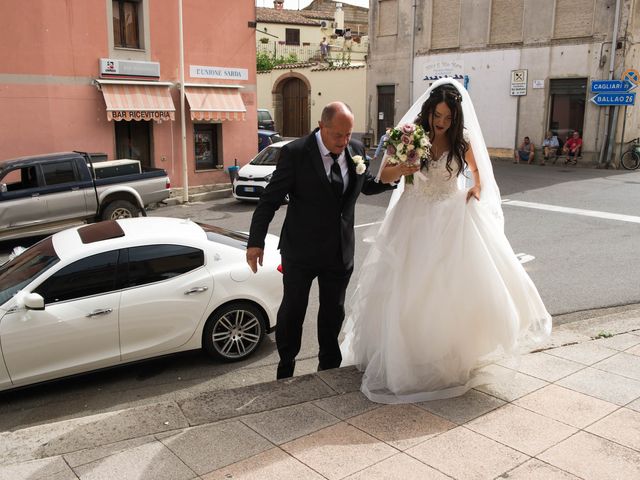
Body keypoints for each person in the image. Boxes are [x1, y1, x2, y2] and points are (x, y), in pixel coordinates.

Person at [340, 80, 552, 404]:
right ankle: (409, 357)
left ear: (455, 118)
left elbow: (480, 172)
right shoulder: (409, 136)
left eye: (447, 118)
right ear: (429, 112)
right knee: (408, 289)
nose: (441, 123)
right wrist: (406, 167)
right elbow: (383, 176)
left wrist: (475, 189)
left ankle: (445, 355)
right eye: (437, 116)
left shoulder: (461, 140)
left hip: (451, 216)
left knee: (449, 289)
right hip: (413, 219)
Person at [246, 102, 410, 380]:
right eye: (338, 135)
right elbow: (270, 200)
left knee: (333, 311)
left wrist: (395, 174)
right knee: (293, 310)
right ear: (321, 127)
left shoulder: (356, 150)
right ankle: (286, 366)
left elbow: (366, 185)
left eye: (348, 135)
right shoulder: (295, 153)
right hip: (301, 250)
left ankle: (328, 367)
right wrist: (255, 242)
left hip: (339, 250)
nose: (344, 142)